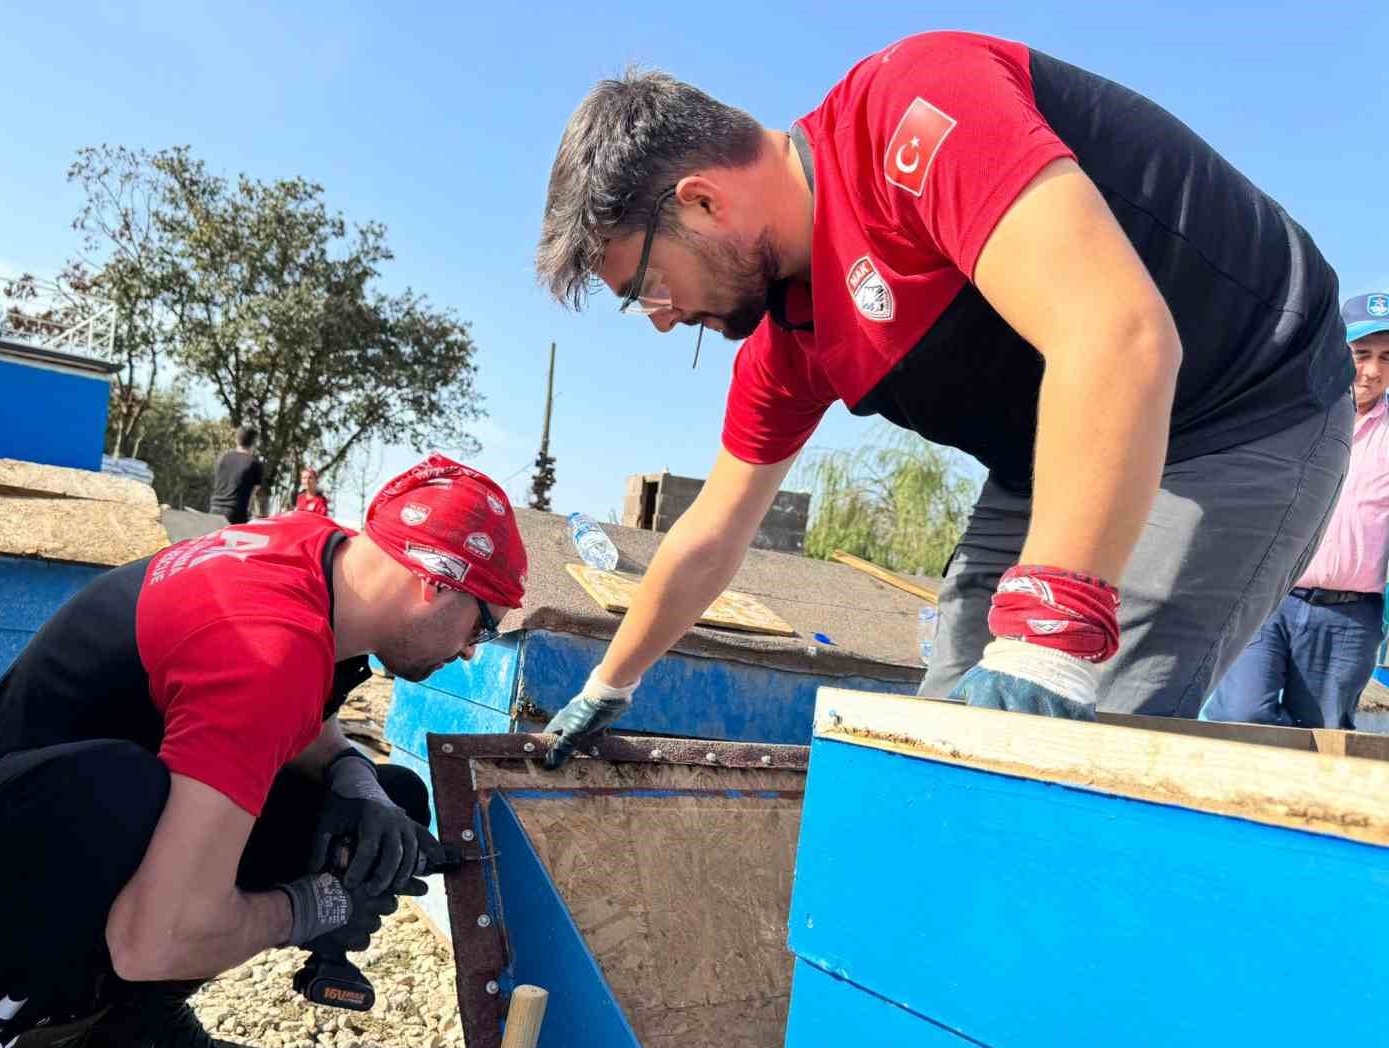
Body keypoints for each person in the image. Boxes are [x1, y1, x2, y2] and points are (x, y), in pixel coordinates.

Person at [533, 30, 1352, 762]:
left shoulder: (911, 109)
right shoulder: (793, 338)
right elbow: (710, 536)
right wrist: (609, 683)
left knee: (1079, 745)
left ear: (703, 202)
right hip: (1048, 453)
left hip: (1242, 408)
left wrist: (1047, 643)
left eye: (645, 287)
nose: (665, 322)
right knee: (942, 739)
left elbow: (1118, 334)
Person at [0, 455, 525, 1048]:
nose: (474, 647)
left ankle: (115, 1042)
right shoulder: (266, 644)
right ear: (434, 581)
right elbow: (156, 937)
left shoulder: (316, 562)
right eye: (485, 621)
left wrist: (355, 781)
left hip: (32, 838)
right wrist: (314, 905)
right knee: (116, 794)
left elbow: (286, 710)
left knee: (380, 808)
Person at [1204, 293, 1389, 728]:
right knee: (1240, 715)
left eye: (1386, 358)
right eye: (1361, 354)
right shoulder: (1289, 413)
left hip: (1349, 615)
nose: (1373, 371)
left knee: (1321, 736)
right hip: (1266, 598)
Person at [209, 424, 267, 524]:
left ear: (237, 440)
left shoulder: (223, 458)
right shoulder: (254, 464)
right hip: (235, 513)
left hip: (214, 510)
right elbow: (253, 494)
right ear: (254, 442)